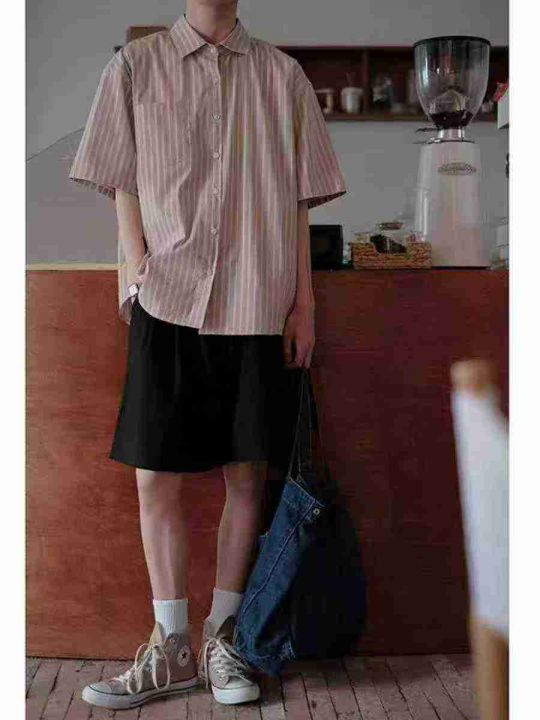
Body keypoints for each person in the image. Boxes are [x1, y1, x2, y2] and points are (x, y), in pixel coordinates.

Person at [68, 0, 346, 710]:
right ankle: (171, 647)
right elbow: (121, 178)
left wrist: (305, 304)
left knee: (246, 475)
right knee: (154, 477)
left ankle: (226, 640)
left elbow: (298, 203)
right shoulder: (135, 66)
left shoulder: (282, 75)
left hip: (258, 299)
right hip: (167, 296)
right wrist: (135, 263)